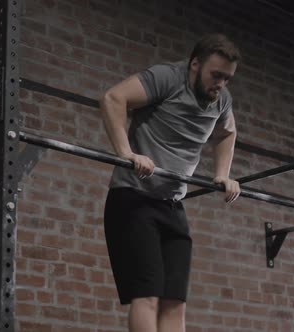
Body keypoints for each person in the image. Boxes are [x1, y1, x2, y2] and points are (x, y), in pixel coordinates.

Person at [100, 33, 242, 332]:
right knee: (148, 295)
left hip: (173, 206)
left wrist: (223, 173)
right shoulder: (168, 78)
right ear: (194, 64)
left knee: (175, 302)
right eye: (216, 75)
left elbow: (227, 133)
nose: (220, 84)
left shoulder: (221, 101)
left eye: (227, 78)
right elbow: (114, 98)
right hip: (133, 199)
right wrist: (127, 153)